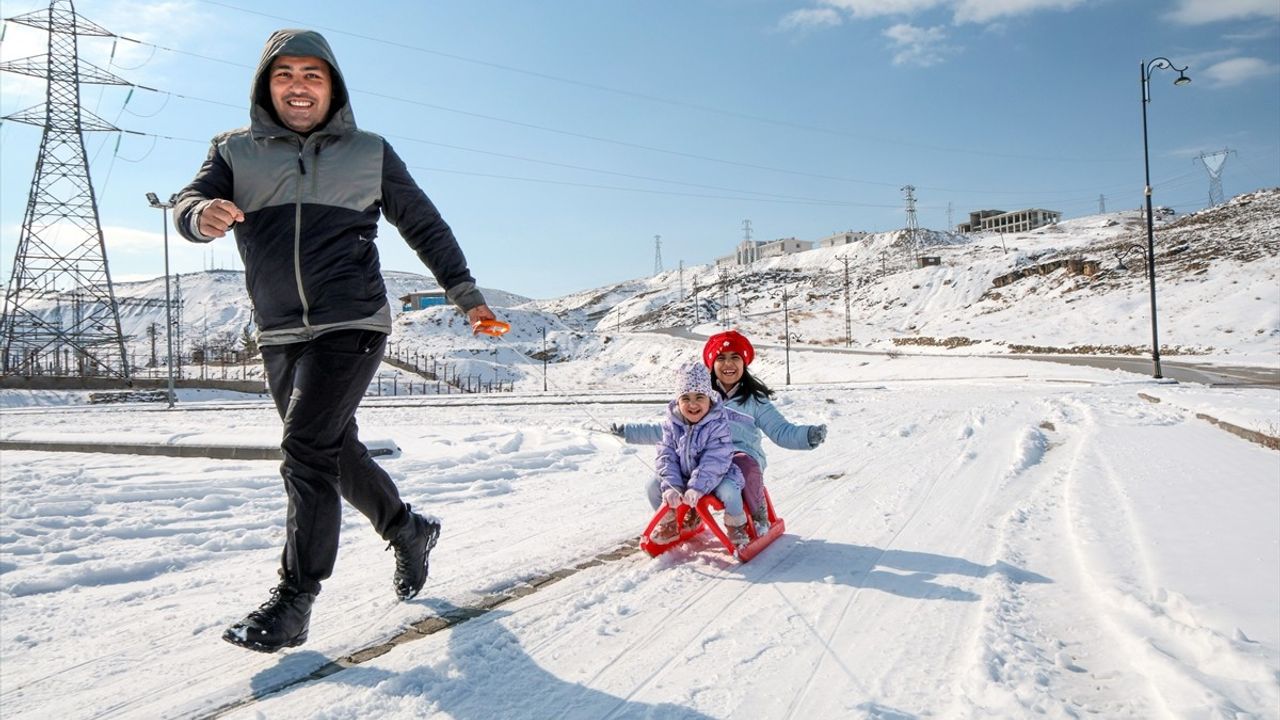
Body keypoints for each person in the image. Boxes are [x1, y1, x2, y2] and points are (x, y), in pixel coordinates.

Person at [173, 29, 498, 653]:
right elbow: (192, 200)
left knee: (303, 447)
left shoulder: (370, 152)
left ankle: (296, 599)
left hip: (352, 320)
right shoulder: (234, 152)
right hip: (278, 329)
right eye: (285, 74)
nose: (299, 86)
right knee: (333, 451)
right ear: (267, 86)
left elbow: (424, 224)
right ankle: (407, 529)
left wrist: (467, 296)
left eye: (312, 75)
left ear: (333, 87)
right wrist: (198, 216)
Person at [615, 330, 825, 532]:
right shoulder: (700, 398)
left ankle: (757, 513)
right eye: (721, 358)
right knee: (665, 477)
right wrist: (629, 432)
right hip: (703, 458)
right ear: (711, 364)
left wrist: (807, 436)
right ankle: (684, 516)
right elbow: (669, 431)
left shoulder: (754, 401)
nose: (728, 364)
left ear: (744, 362)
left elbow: (781, 431)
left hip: (740, 457)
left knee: (744, 463)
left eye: (735, 357)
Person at [648, 361, 751, 547]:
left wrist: (697, 487)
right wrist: (672, 485)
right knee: (652, 487)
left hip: (718, 475)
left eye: (699, 397)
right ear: (678, 402)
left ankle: (736, 525)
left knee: (730, 490)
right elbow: (666, 456)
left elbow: (715, 459)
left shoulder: (718, 425)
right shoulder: (671, 425)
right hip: (683, 475)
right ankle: (670, 522)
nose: (692, 404)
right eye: (685, 398)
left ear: (710, 399)